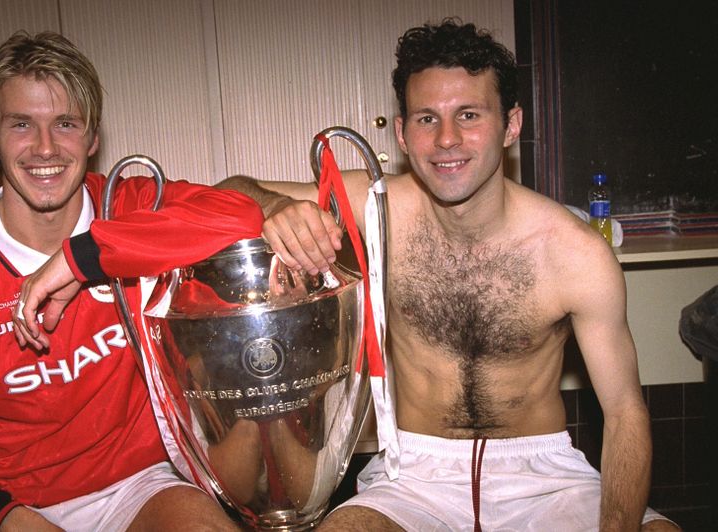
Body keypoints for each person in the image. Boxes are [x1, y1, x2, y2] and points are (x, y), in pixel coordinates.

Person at [216, 18, 678, 531]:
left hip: (543, 478)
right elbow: (228, 190)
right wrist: (277, 207)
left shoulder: (575, 254)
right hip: (416, 476)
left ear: (511, 125)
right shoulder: (377, 208)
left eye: (469, 115)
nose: (447, 139)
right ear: (402, 133)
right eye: (427, 119)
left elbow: (625, 412)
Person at [0, 30, 262, 532]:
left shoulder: (126, 206)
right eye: (21, 124)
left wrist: (87, 257)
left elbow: (240, 215)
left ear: (92, 137)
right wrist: (3, 517)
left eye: (65, 124)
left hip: (134, 487)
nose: (45, 148)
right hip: (3, 497)